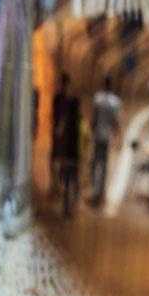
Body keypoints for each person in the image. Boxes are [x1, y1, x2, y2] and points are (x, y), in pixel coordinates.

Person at [51, 74, 83, 218]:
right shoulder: (80, 124)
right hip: (75, 157)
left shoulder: (65, 123)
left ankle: (66, 207)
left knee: (66, 181)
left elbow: (58, 133)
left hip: (66, 156)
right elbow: (84, 142)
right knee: (74, 181)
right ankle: (74, 207)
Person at [90, 76, 122, 205]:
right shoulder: (115, 102)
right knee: (104, 165)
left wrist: (91, 133)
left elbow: (94, 119)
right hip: (107, 137)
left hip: (98, 135)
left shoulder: (98, 99)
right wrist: (119, 137)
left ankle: (95, 188)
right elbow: (116, 122)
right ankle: (100, 191)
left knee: (95, 162)